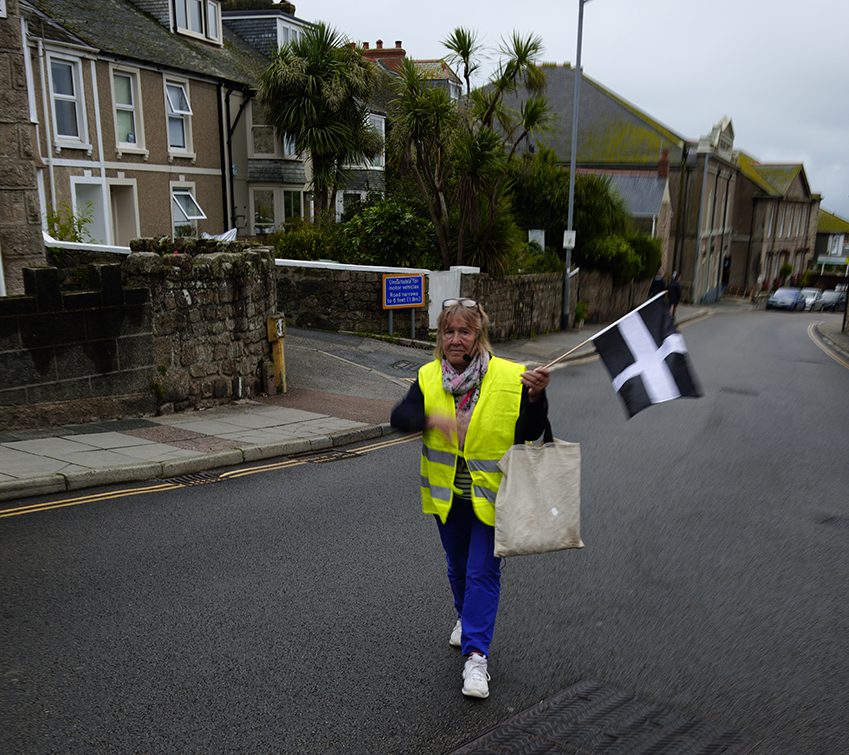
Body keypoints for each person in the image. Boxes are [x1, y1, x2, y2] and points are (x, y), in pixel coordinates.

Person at [390, 298, 550, 699]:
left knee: (483, 572)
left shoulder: (510, 376)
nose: (456, 339)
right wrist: (433, 419)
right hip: (449, 499)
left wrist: (535, 399)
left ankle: (476, 658)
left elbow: (530, 432)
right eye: (449, 331)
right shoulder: (428, 377)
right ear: (440, 337)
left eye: (465, 331)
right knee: (458, 568)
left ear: (479, 336)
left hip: (494, 498)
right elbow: (399, 419)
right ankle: (465, 616)